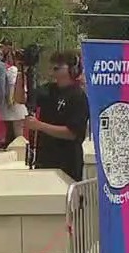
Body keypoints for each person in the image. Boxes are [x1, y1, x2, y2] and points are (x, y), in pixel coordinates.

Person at [26, 50, 88, 181]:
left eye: (59, 65)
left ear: (72, 69)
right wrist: (23, 70)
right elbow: (20, 98)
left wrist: (40, 126)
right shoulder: (48, 90)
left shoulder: (78, 96)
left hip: (67, 163)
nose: (54, 69)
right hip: (44, 160)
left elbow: (72, 133)